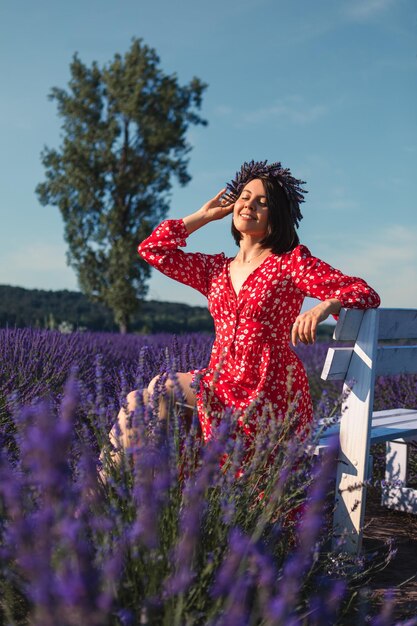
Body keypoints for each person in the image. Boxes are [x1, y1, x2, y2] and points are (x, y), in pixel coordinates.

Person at [110, 160, 380, 453]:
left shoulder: (291, 263)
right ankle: (108, 490)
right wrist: (203, 216)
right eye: (244, 197)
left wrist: (326, 305)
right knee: (137, 401)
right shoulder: (214, 270)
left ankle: (125, 491)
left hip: (270, 391)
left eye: (262, 202)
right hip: (221, 384)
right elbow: (152, 250)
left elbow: (364, 292)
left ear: (275, 215)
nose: (249, 205)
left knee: (163, 388)